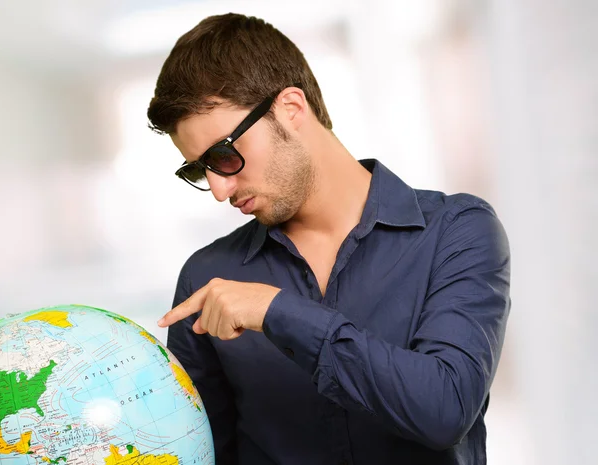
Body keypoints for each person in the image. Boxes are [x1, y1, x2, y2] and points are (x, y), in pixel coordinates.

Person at [149, 13, 510, 465]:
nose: (219, 190)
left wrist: (278, 312)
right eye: (198, 170)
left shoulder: (456, 229)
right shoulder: (207, 276)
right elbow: (201, 452)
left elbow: (444, 409)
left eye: (223, 155)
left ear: (291, 109)